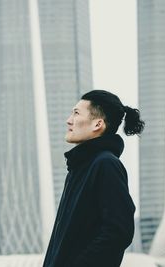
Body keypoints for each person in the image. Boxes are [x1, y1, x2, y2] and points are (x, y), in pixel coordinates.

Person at [42, 90, 145, 267]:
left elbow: (118, 231)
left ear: (98, 124)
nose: (69, 120)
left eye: (76, 113)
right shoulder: (80, 168)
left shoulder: (105, 164)